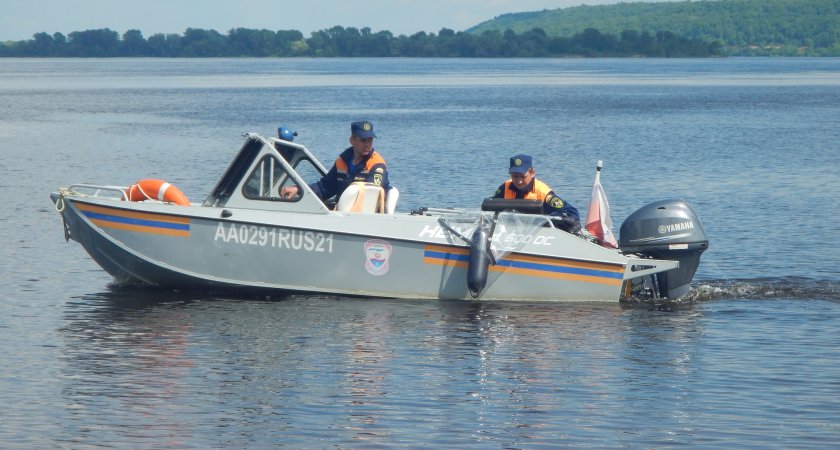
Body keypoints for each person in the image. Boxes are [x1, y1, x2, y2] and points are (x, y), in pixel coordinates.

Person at [280, 121, 390, 202]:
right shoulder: (342, 161)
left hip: (364, 217)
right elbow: (324, 187)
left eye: (370, 140)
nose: (367, 144)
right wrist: (298, 189)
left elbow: (371, 195)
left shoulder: (376, 164)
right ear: (352, 140)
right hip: (344, 214)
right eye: (363, 140)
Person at [491, 154, 581, 233]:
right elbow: (489, 207)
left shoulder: (543, 193)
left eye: (523, 176)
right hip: (511, 232)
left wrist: (571, 220)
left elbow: (571, 212)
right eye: (515, 176)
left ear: (532, 173)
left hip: (538, 233)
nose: (519, 181)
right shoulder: (504, 188)